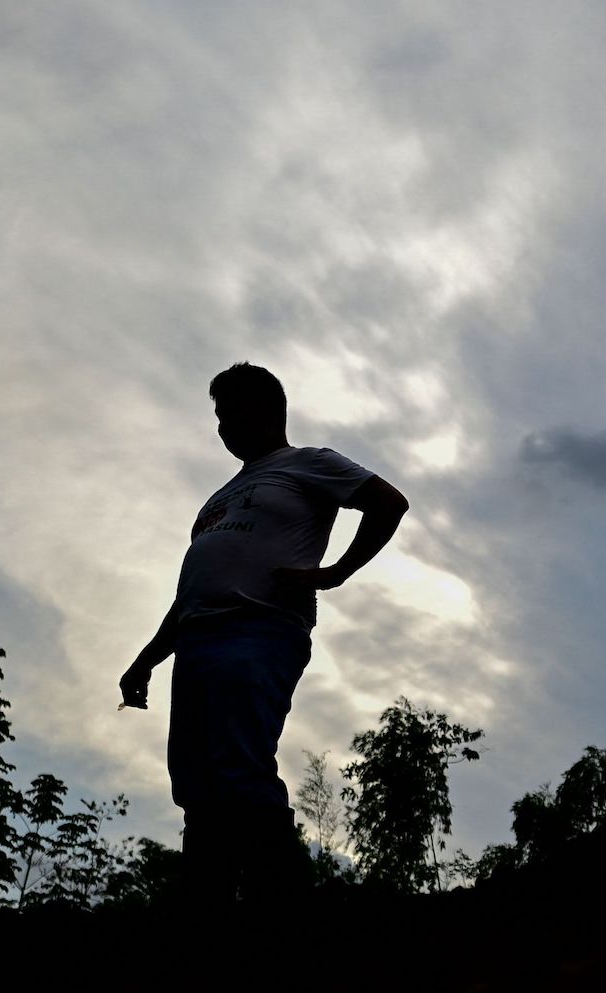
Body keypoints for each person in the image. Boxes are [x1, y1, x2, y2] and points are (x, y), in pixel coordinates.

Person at [119, 362, 408, 905]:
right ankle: (209, 904)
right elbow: (193, 590)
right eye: (218, 416)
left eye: (231, 412)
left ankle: (281, 905)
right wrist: (147, 659)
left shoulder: (308, 464)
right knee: (196, 784)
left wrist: (335, 572)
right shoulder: (218, 498)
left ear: (268, 409)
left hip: (259, 630)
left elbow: (389, 503)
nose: (224, 426)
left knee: (239, 768)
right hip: (197, 643)